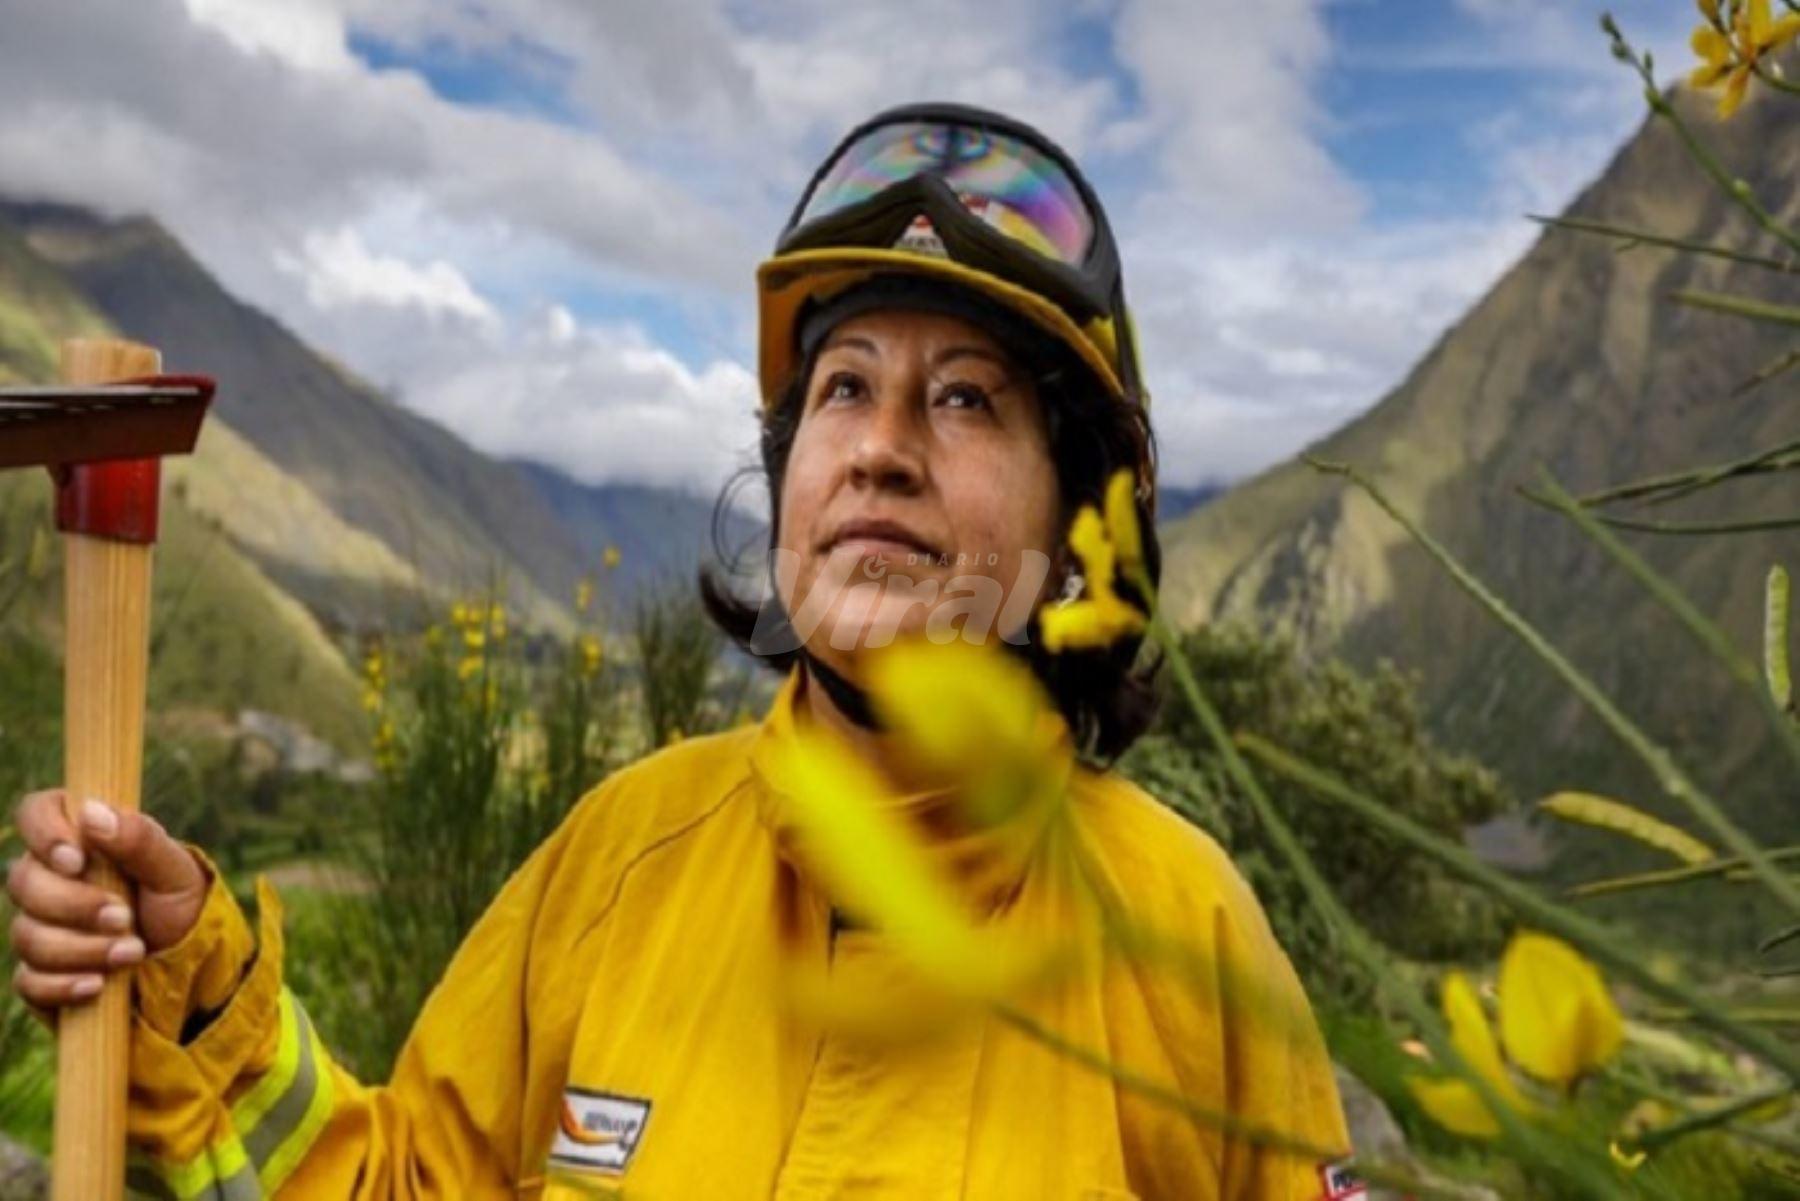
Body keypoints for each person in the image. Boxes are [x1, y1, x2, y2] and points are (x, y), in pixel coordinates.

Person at [7, 103, 1353, 1199]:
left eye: (965, 399)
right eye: (844, 387)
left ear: (1075, 533)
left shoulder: (1192, 944)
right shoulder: (618, 867)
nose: (882, 448)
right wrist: (194, 997)